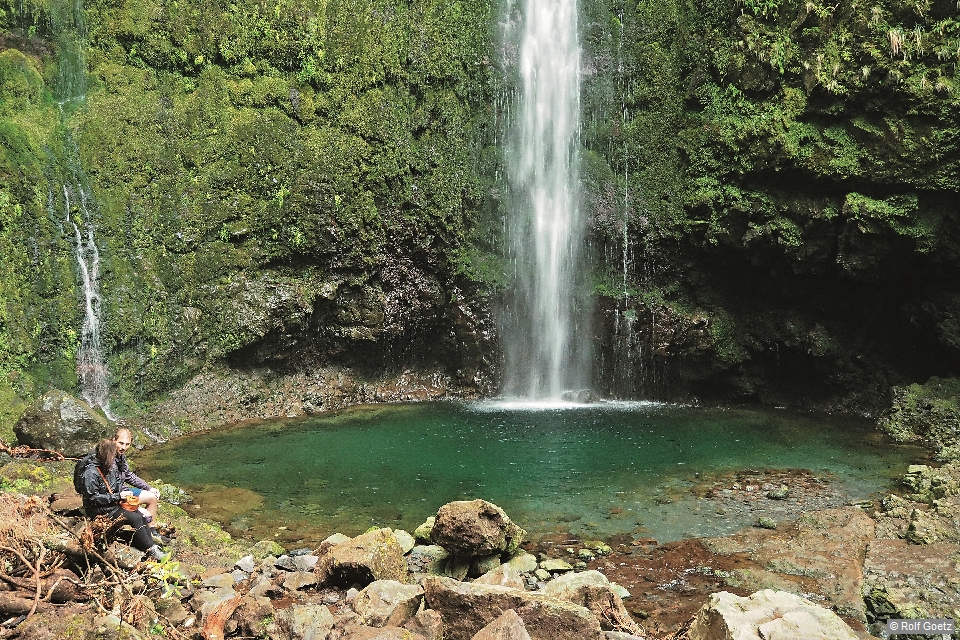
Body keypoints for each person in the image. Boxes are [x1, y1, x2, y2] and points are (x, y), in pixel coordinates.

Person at [75, 438, 168, 561]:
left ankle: (152, 546)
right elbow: (92, 498)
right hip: (97, 508)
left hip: (112, 504)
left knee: (140, 515)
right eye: (113, 456)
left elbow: (118, 484)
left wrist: (133, 503)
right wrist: (117, 497)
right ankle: (150, 550)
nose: (115, 459)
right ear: (106, 455)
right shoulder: (91, 472)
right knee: (134, 518)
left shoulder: (108, 466)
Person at [112, 428, 160, 525]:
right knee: (140, 512)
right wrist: (137, 507)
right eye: (121, 443)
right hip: (114, 495)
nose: (123, 447)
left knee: (152, 497)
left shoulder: (121, 456)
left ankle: (152, 530)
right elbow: (113, 484)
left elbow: (128, 475)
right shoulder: (108, 458)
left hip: (123, 491)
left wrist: (148, 487)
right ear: (114, 440)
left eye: (127, 444)